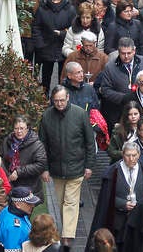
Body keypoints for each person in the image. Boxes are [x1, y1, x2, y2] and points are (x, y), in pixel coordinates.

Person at [39, 85, 96, 252]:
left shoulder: (79, 114)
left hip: (76, 167)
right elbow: (42, 144)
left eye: (62, 100)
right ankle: (66, 230)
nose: (59, 103)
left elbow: (89, 142)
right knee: (61, 202)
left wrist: (89, 165)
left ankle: (67, 237)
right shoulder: (47, 116)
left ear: (68, 97)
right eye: (56, 101)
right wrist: (45, 168)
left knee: (70, 202)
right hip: (56, 169)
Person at [90, 142, 143, 248]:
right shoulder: (112, 173)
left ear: (138, 155)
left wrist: (140, 204)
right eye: (128, 155)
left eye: (134, 155)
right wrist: (122, 203)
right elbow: (106, 197)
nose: (131, 158)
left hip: (139, 221)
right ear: (123, 154)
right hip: (118, 222)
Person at [33, 0, 76, 95]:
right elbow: (36, 27)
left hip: (63, 46)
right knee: (46, 76)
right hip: (46, 46)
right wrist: (40, 44)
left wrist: (62, 34)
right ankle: (44, 97)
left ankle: (62, 96)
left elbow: (74, 28)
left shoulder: (70, 9)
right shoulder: (43, 8)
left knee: (63, 76)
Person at [0, 116, 47, 200]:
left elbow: (40, 165)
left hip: (29, 186)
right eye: (16, 128)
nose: (19, 131)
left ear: (27, 129)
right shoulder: (7, 141)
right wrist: (6, 174)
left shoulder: (36, 144)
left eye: (22, 128)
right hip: (9, 183)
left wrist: (19, 172)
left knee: (23, 211)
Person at [0, 186, 43, 252]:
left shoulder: (8, 210)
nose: (33, 206)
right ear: (17, 204)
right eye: (28, 203)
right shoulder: (14, 228)